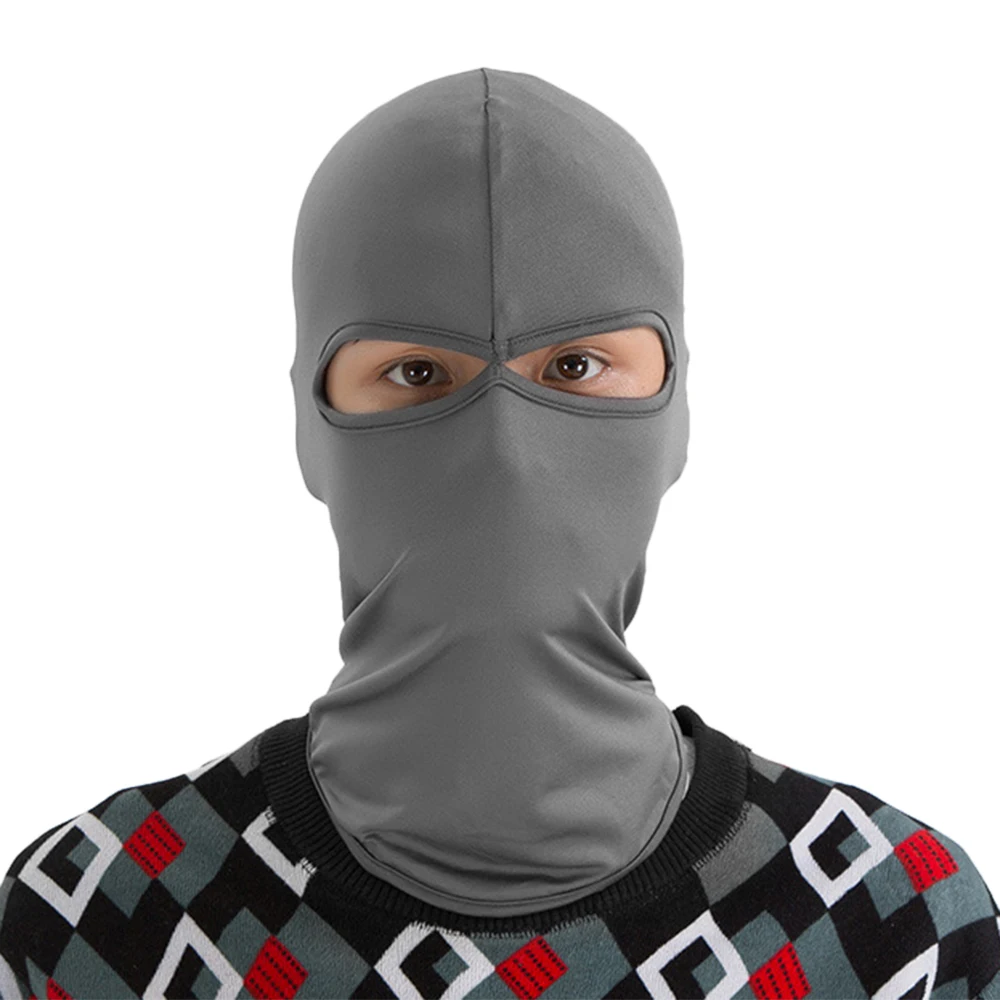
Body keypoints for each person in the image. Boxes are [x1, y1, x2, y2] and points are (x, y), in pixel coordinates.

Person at [1, 66, 997, 1000]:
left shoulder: (897, 933)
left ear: (677, 414)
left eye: (575, 367)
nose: (507, 454)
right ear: (309, 425)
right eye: (416, 372)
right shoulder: (97, 926)